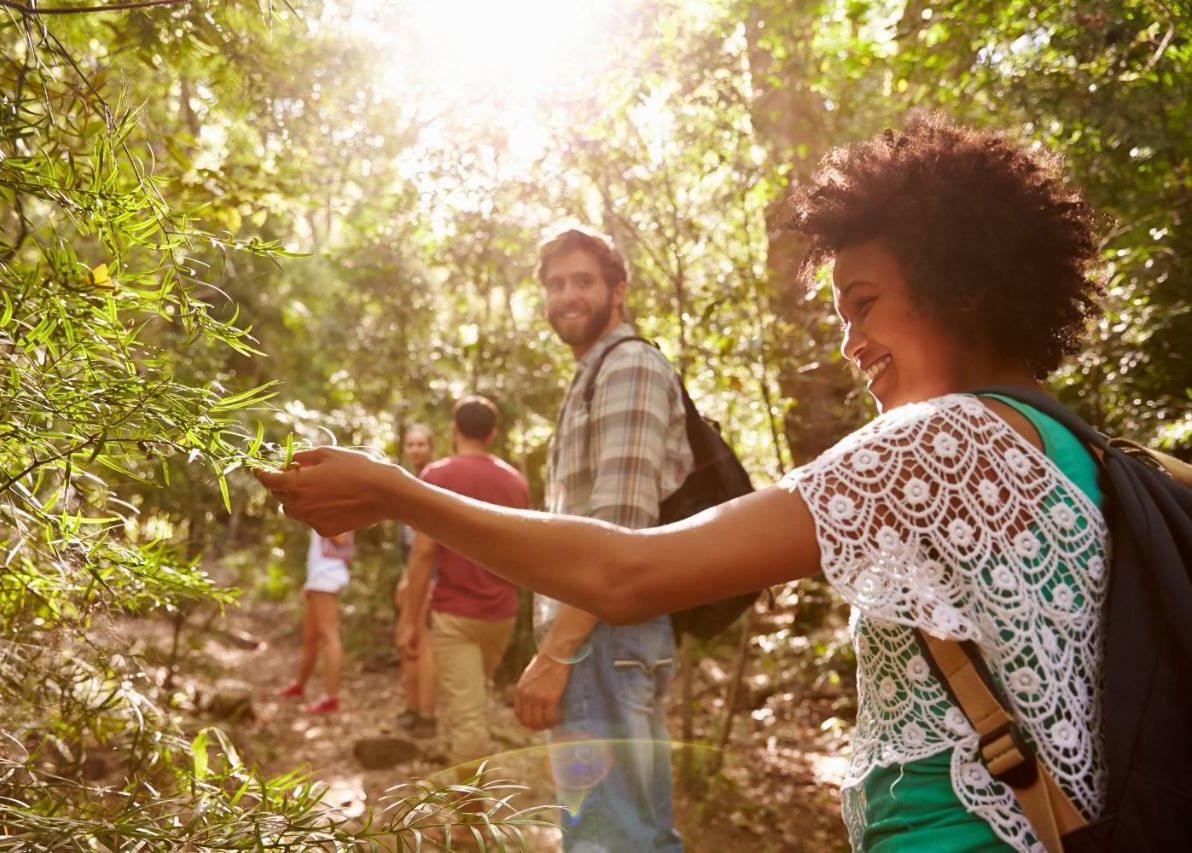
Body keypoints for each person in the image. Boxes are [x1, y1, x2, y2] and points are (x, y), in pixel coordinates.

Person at [258, 113, 1108, 853]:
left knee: (615, 830)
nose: (850, 342)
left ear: (960, 289)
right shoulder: (1087, 450)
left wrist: (398, 491)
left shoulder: (936, 442)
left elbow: (630, 568)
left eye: (864, 302)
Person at [514, 225, 691, 851]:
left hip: (604, 637)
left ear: (618, 290)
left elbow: (619, 532)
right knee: (625, 834)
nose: (568, 294)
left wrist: (557, 654)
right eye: (556, 283)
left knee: (612, 840)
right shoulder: (591, 374)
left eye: (584, 280)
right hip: (599, 637)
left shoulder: (630, 367)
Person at [396, 396, 530, 774]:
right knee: (472, 699)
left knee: (469, 715)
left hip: (455, 614)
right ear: (492, 434)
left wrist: (409, 619)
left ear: (454, 429)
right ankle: (463, 782)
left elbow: (422, 555)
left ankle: (469, 823)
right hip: (501, 615)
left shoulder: (437, 476)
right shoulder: (515, 482)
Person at [279, 529, 355, 714]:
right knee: (310, 637)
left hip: (327, 577)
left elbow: (342, 536)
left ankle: (331, 698)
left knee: (330, 637)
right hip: (318, 577)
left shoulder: (337, 503)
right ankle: (299, 686)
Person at [394, 423, 437, 736]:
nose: (417, 449)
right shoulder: (407, 481)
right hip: (410, 573)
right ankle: (411, 708)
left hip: (431, 576)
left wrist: (421, 579)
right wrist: (405, 577)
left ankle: (426, 715)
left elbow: (431, 544)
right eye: (411, 444)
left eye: (422, 444)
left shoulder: (436, 480)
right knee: (406, 640)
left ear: (431, 447)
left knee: (421, 641)